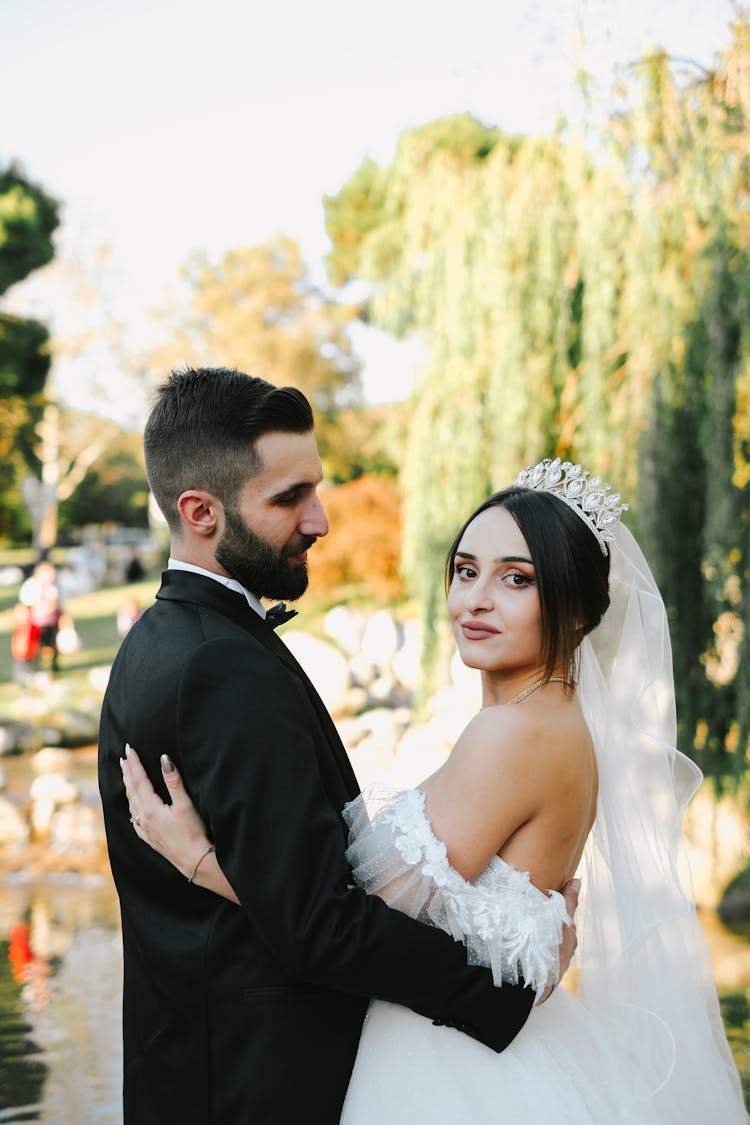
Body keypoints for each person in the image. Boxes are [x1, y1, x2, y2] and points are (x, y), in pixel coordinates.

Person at [122, 456, 749, 1124]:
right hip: (489, 1045)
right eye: (465, 569)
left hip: (442, 1074)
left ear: (574, 608)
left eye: (516, 578)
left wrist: (200, 860)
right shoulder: (554, 724)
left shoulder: (514, 734)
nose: (474, 598)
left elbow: (349, 913)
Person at [98, 367, 578, 1125]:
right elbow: (320, 924)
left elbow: (301, 896)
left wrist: (203, 863)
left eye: (314, 489)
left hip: (198, 1070)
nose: (321, 518)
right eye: (290, 498)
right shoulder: (221, 664)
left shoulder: (157, 642)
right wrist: (499, 995)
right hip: (256, 1090)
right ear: (201, 511)